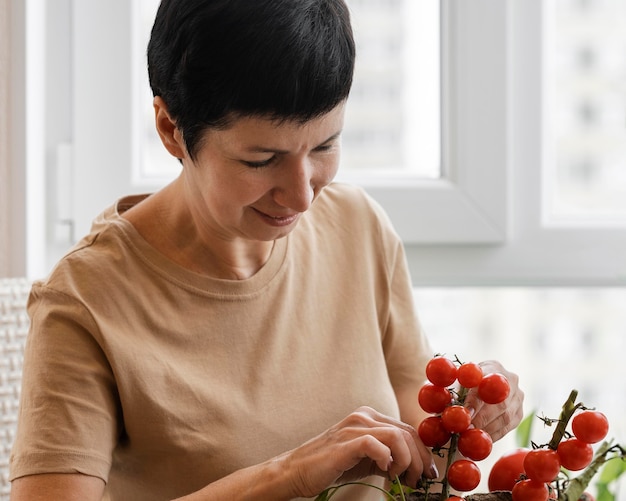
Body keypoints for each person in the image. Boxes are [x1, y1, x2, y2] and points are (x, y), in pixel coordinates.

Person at [9, 1, 524, 500]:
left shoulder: (357, 225)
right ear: (171, 129)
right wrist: (288, 474)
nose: (302, 195)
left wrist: (470, 406)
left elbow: (421, 437)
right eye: (261, 160)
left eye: (324, 147)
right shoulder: (85, 300)